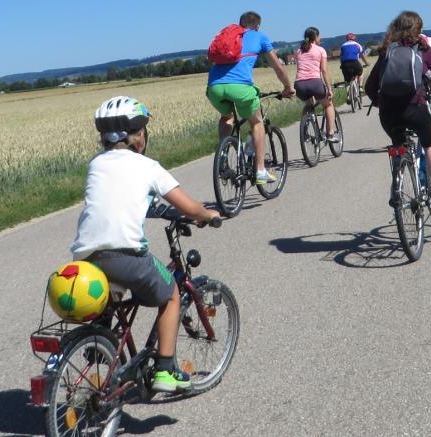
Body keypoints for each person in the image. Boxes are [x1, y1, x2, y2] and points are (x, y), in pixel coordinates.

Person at [72, 96, 220, 392]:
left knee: (115, 295)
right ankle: (165, 369)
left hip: (87, 258)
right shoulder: (147, 166)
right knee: (171, 294)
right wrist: (207, 215)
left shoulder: (96, 164)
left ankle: (100, 343)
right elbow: (188, 207)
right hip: (127, 255)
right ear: (138, 135)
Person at [365, 10, 431, 212]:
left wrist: (380, 102)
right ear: (418, 29)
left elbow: (370, 88)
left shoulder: (386, 51)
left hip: (389, 114)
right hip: (415, 109)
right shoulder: (424, 49)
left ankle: (397, 190)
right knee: (430, 145)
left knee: (398, 147)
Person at [206, 11, 296, 185]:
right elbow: (278, 68)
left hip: (214, 88)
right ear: (257, 26)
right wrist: (288, 87)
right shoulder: (259, 37)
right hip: (241, 89)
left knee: (227, 117)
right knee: (256, 122)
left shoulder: (228, 37)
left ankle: (222, 157)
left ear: (240, 24)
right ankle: (260, 170)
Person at [294, 27, 338, 142]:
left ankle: (306, 130)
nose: (321, 38)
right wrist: (329, 88)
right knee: (328, 105)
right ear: (316, 37)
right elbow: (324, 70)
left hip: (299, 85)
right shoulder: (320, 50)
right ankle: (330, 134)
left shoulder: (298, 51)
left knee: (309, 105)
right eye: (319, 36)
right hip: (315, 83)